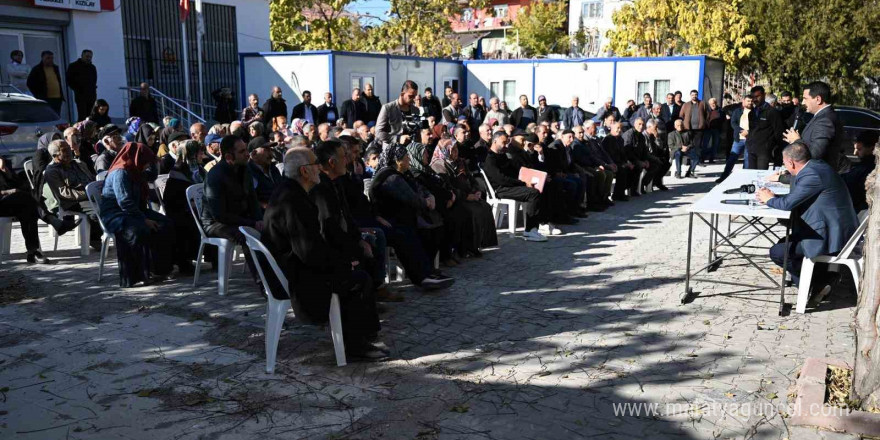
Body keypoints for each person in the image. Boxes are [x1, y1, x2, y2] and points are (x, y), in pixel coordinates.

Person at [261, 148, 386, 360]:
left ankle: (363, 338)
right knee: (357, 279)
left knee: (354, 268)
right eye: (315, 164)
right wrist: (343, 263)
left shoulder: (292, 192)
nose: (320, 167)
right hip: (298, 278)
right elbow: (308, 252)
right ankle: (356, 347)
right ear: (304, 171)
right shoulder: (292, 200)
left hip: (298, 268)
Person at [757, 142, 858, 306]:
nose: (784, 166)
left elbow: (787, 205)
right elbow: (796, 196)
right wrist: (775, 198)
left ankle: (819, 282)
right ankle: (818, 281)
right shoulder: (816, 166)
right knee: (784, 244)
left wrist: (769, 199)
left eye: (784, 163)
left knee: (778, 252)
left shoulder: (811, 175)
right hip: (833, 228)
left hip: (829, 236)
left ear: (791, 163)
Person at [369, 143, 456, 290]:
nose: (409, 159)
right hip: (389, 219)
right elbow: (412, 198)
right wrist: (426, 202)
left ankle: (427, 271)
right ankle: (421, 276)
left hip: (403, 216)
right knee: (408, 234)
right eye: (406, 157)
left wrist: (429, 196)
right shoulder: (390, 177)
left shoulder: (403, 174)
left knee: (434, 227)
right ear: (397, 161)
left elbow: (419, 188)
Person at [99, 143, 176, 287]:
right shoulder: (121, 172)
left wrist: (154, 162)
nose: (146, 164)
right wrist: (144, 220)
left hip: (135, 210)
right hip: (116, 212)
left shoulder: (135, 170)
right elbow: (125, 201)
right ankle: (137, 276)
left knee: (166, 224)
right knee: (137, 231)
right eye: (145, 160)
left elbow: (152, 176)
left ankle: (159, 269)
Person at [201, 135, 263, 282]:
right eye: (242, 152)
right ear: (229, 156)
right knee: (247, 235)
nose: (247, 154)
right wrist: (252, 224)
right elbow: (220, 215)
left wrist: (259, 219)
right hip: (216, 224)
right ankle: (263, 282)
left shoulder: (244, 168)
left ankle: (279, 273)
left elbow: (252, 198)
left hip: (240, 217)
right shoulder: (215, 176)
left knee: (273, 224)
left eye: (246, 150)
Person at [430, 138, 497, 256]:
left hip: (469, 195)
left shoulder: (460, 162)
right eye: (452, 150)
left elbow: (471, 179)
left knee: (485, 207)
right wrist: (466, 196)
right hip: (456, 198)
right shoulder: (438, 164)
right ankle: (468, 247)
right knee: (472, 212)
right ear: (445, 151)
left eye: (456, 149)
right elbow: (447, 187)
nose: (455, 153)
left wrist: (476, 191)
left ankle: (482, 243)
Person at [482, 130, 549, 242]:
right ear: (495, 141)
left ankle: (537, 226)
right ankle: (529, 230)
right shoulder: (490, 159)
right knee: (533, 193)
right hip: (500, 189)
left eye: (507, 143)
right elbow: (501, 179)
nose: (506, 145)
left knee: (537, 189)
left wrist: (528, 179)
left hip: (509, 186)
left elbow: (514, 171)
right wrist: (523, 183)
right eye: (503, 143)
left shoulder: (502, 155)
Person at [43, 139, 102, 249]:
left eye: (69, 149)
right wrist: (88, 194)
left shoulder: (78, 163)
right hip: (74, 201)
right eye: (64, 150)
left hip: (90, 195)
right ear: (55, 155)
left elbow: (91, 178)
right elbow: (64, 193)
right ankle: (95, 238)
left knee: (113, 204)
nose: (70, 151)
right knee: (97, 211)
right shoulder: (52, 171)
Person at [782, 81, 845, 175]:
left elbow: (815, 154)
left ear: (818, 99)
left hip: (818, 176)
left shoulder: (825, 120)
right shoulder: (820, 116)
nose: (803, 102)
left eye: (805, 99)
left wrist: (797, 141)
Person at [162, 140, 204, 274]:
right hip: (181, 211)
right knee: (188, 224)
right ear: (191, 154)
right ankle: (184, 262)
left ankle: (214, 257)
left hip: (197, 209)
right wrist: (191, 204)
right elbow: (171, 200)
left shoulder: (198, 169)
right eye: (199, 152)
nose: (202, 154)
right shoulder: (177, 172)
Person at [0, 156, 50, 263]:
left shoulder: (4, 162)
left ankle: (33, 252)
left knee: (27, 208)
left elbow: (18, 183)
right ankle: (49, 218)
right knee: (27, 200)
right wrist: (8, 192)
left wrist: (6, 171)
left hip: (12, 202)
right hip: (4, 201)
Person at [572, 123, 616, 205]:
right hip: (582, 167)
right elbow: (579, 161)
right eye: (579, 133)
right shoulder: (575, 144)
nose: (582, 134)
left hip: (591, 165)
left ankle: (603, 198)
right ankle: (593, 202)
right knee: (597, 174)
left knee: (609, 173)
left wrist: (603, 165)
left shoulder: (585, 143)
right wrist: (596, 166)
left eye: (582, 132)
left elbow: (593, 156)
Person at [744, 86, 785, 171]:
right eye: (753, 97)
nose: (755, 99)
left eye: (757, 96)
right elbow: (752, 131)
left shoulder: (772, 112)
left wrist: (773, 147)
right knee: (750, 175)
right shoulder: (751, 113)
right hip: (751, 149)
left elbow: (778, 132)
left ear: (764, 95)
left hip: (764, 151)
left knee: (761, 176)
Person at [716, 96, 753, 183]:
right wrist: (741, 130)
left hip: (750, 139)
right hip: (738, 139)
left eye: (751, 101)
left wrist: (748, 131)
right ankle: (724, 176)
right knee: (732, 158)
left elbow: (757, 125)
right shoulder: (737, 111)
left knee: (747, 160)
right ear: (743, 101)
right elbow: (733, 123)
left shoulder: (755, 112)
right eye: (748, 101)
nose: (750, 103)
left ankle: (744, 179)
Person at [841, 131, 878, 212]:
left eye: (859, 149)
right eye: (855, 149)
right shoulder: (862, 167)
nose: (855, 153)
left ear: (872, 149)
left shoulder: (867, 169)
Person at [375, 80, 419, 148]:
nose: (413, 99)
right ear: (402, 94)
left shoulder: (416, 110)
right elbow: (378, 133)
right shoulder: (388, 108)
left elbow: (417, 132)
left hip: (410, 152)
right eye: (411, 96)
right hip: (391, 151)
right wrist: (397, 139)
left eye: (414, 96)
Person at [26, 50, 64, 115]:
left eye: (52, 58)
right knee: (47, 116)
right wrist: (38, 95)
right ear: (42, 58)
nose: (50, 60)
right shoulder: (37, 69)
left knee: (57, 116)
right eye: (48, 58)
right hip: (45, 99)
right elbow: (30, 83)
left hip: (57, 98)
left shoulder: (55, 68)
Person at [247, 138, 281, 207]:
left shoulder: (273, 168)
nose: (270, 154)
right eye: (266, 150)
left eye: (270, 149)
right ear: (254, 154)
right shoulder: (248, 173)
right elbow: (249, 199)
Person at [66, 50, 97, 122]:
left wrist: (93, 90)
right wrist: (77, 90)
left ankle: (89, 131)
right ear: (82, 56)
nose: (88, 58)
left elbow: (94, 80)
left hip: (91, 95)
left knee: (91, 116)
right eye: (87, 56)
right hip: (80, 95)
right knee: (82, 116)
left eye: (90, 57)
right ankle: (80, 131)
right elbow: (69, 80)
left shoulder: (92, 67)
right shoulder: (73, 66)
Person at [679, 90, 707, 162]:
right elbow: (681, 115)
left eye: (695, 94)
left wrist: (704, 123)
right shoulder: (686, 105)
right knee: (688, 145)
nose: (694, 96)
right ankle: (688, 160)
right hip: (688, 128)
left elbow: (707, 114)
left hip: (699, 129)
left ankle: (697, 160)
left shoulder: (702, 103)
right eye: (692, 95)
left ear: (697, 95)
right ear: (690, 95)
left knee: (698, 145)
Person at [703, 98, 723, 163]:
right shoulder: (706, 110)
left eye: (713, 103)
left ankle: (711, 159)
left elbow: (723, 120)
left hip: (716, 129)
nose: (712, 105)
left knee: (715, 145)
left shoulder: (720, 110)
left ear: (716, 103)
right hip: (707, 129)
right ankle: (702, 158)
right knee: (705, 144)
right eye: (711, 104)